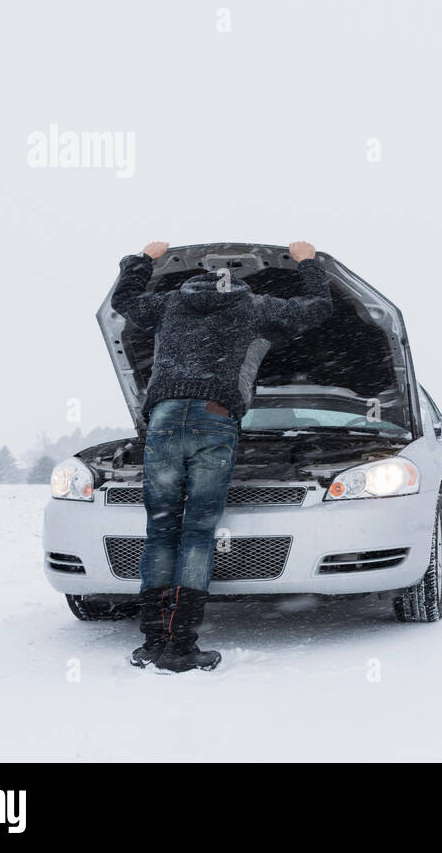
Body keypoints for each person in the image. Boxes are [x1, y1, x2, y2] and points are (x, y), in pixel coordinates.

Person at [110, 240, 332, 672]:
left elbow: (124, 299)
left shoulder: (170, 303)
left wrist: (143, 259)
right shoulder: (254, 306)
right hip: (214, 417)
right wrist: (308, 263)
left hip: (165, 418)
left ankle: (154, 641)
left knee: (160, 529)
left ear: (192, 283)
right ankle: (182, 645)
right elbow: (317, 307)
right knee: (197, 530)